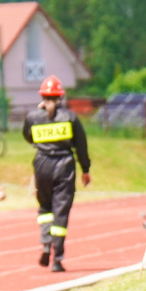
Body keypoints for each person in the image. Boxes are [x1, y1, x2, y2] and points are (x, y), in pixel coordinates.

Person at [22, 75, 91, 273]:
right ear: (61, 97)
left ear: (42, 96)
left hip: (42, 164)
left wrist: (43, 146)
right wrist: (85, 169)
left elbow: (28, 136)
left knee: (45, 208)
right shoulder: (70, 117)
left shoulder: (33, 117)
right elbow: (81, 146)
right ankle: (57, 259)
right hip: (64, 166)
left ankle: (45, 243)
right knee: (60, 212)